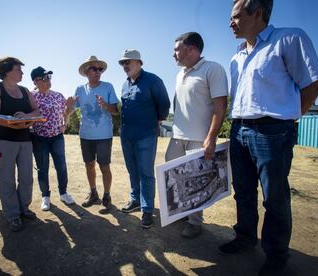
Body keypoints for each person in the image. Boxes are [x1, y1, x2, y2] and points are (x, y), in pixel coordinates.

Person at [220, 0, 318, 274]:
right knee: (243, 191)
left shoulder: (289, 38)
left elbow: (313, 83)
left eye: (237, 16)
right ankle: (245, 237)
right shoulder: (237, 55)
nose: (230, 23)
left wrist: (290, 117)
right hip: (239, 129)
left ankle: (276, 256)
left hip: (272, 132)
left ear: (259, 13)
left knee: (274, 197)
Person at [166, 32, 228, 238]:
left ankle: (195, 222)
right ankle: (182, 212)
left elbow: (221, 107)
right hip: (177, 137)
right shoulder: (179, 74)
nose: (173, 53)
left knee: (196, 181)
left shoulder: (213, 69)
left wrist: (211, 137)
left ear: (191, 49)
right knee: (174, 178)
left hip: (199, 138)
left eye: (177, 49)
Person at [0, 57, 40, 232]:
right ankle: (13, 215)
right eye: (18, 69)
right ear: (7, 71)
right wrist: (13, 123)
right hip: (2, 141)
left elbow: (37, 110)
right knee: (6, 179)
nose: (22, 72)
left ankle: (24, 208)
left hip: (24, 140)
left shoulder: (25, 91)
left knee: (26, 178)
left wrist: (26, 117)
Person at [118, 49, 170, 228]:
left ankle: (147, 210)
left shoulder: (153, 80)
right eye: (123, 63)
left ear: (139, 62)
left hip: (146, 135)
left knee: (146, 173)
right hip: (126, 135)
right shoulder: (125, 84)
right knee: (132, 170)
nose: (125, 66)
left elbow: (164, 104)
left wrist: (154, 120)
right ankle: (136, 200)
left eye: (128, 62)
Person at [67, 56, 119, 213]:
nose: (98, 72)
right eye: (94, 69)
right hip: (86, 135)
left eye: (100, 69)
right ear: (86, 71)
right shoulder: (80, 89)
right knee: (89, 165)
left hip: (104, 135)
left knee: (104, 166)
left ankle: (107, 197)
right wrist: (68, 107)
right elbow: (70, 111)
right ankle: (94, 193)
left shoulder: (108, 87)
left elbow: (116, 111)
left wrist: (105, 105)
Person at [30, 66, 75, 211]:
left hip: (57, 136)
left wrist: (66, 121)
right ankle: (46, 197)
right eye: (44, 78)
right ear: (35, 81)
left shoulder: (58, 95)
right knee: (42, 168)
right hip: (39, 137)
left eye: (49, 77)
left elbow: (66, 114)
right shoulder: (31, 97)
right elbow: (28, 115)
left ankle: (63, 193)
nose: (48, 81)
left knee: (61, 166)